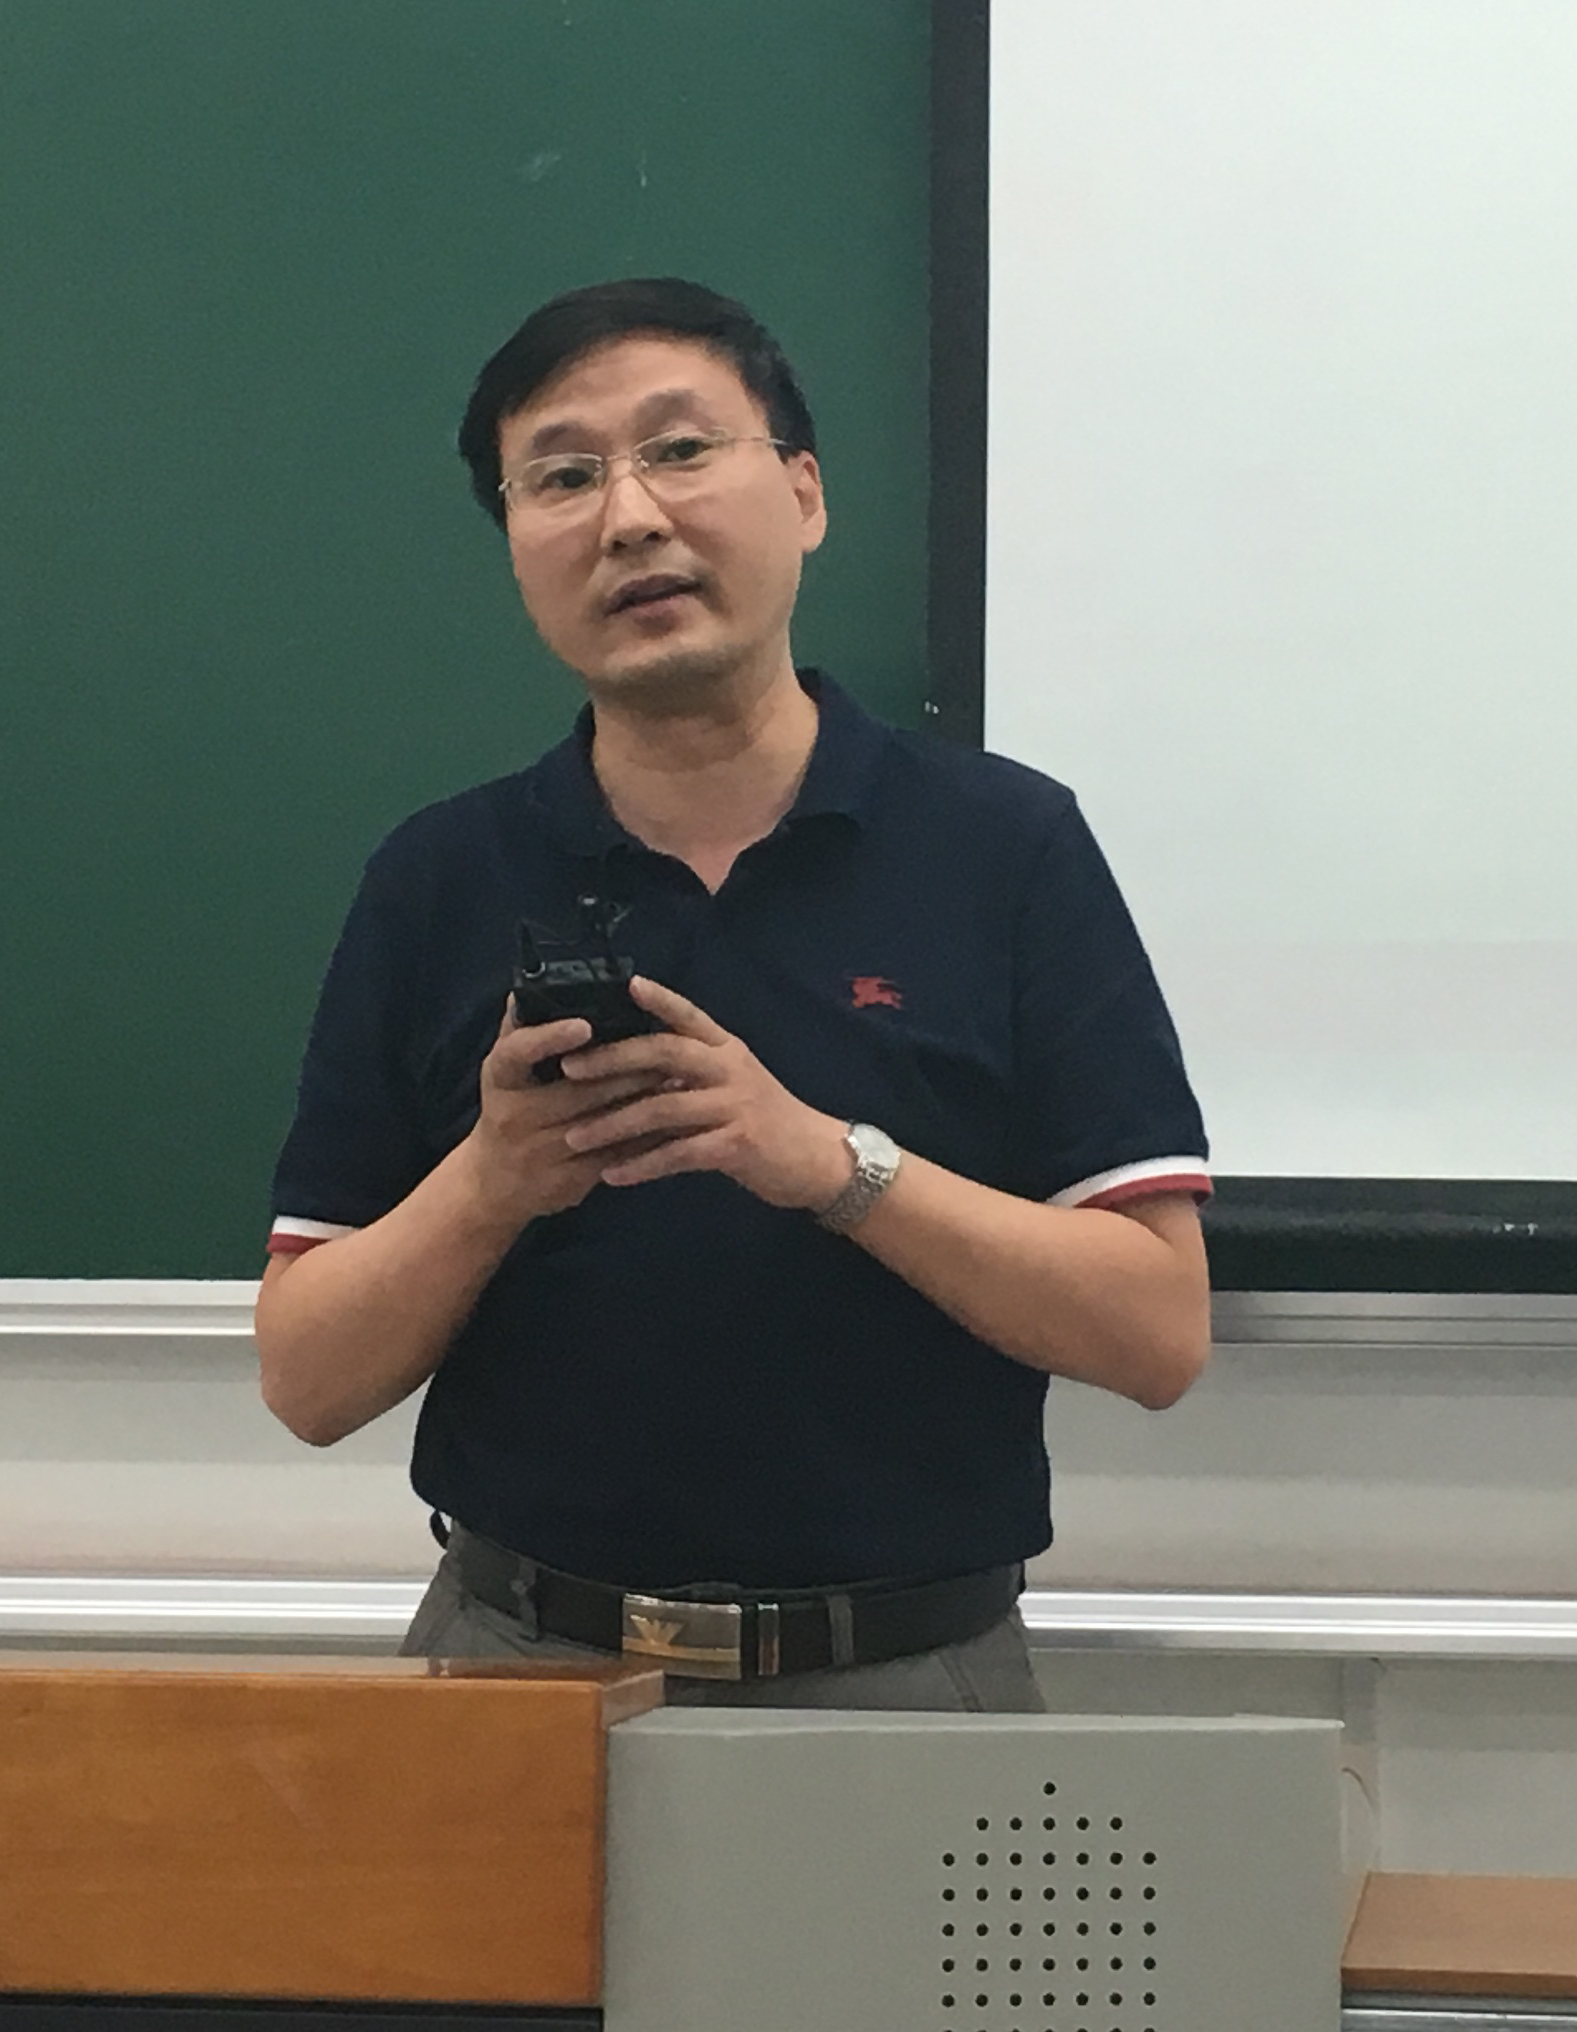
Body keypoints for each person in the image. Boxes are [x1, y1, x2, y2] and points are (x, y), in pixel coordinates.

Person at [255, 277, 1212, 1710]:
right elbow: (307, 1382)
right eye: (562, 477)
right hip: (517, 1668)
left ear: (805, 492)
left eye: (682, 449)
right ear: (515, 548)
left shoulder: (1004, 847)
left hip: (908, 1678)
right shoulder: (440, 876)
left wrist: (826, 1165)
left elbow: (1157, 1333)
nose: (629, 517)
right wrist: (495, 1181)